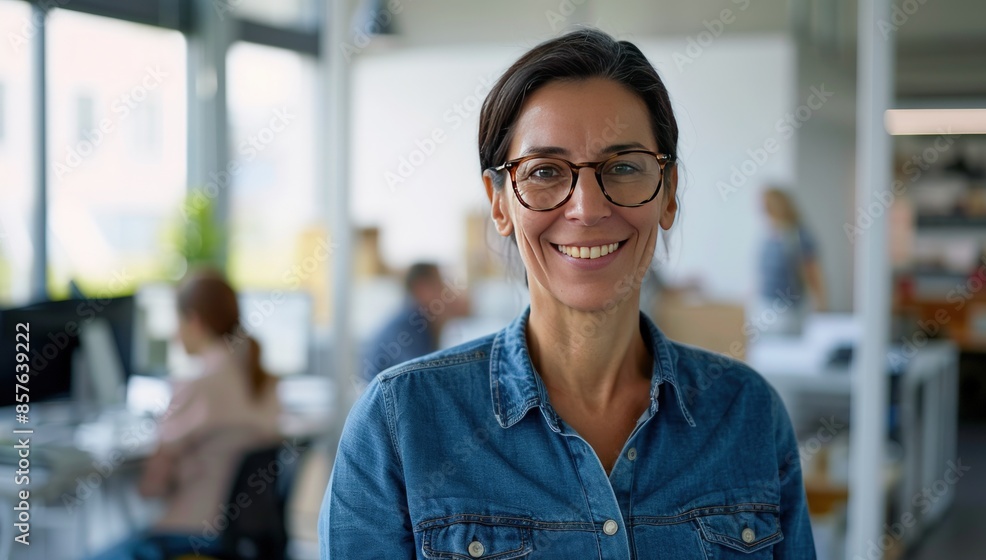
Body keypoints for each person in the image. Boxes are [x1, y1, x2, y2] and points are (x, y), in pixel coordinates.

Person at [321, 28, 815, 559]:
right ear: (500, 204)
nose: (586, 208)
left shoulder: (747, 414)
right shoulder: (399, 423)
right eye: (545, 172)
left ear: (668, 193)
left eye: (622, 167)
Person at [90, 268, 281, 560]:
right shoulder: (265, 381)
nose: (174, 333)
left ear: (194, 321)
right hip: (239, 540)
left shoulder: (197, 385)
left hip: (188, 538)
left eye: (176, 321)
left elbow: (152, 486)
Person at [359, 263, 461, 383]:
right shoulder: (408, 326)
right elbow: (423, 378)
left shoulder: (419, 320)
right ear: (422, 288)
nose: (445, 291)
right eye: (439, 284)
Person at [757, 187, 827, 335]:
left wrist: (820, 303)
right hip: (765, 305)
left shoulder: (798, 236)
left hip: (788, 310)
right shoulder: (770, 234)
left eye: (767, 205)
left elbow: (812, 272)